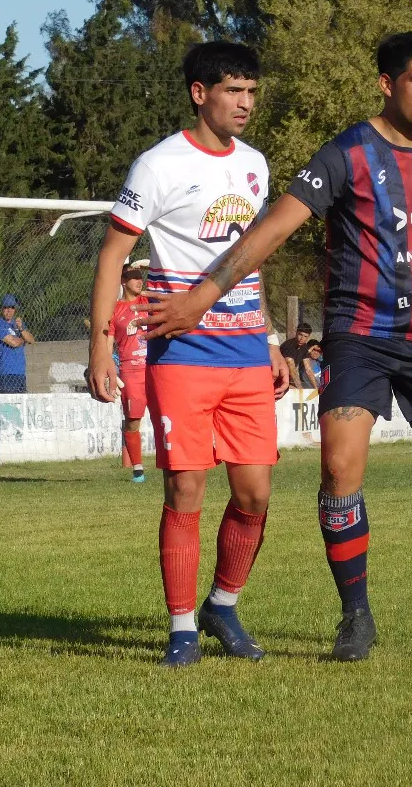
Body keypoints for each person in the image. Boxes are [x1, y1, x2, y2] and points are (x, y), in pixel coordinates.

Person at [145, 31, 412, 659]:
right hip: (360, 336)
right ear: (388, 84)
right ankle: (355, 618)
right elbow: (270, 230)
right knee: (339, 470)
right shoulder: (347, 154)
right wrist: (203, 296)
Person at [86, 41, 291, 667]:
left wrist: (271, 337)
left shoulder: (255, 164)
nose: (246, 103)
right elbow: (113, 255)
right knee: (185, 487)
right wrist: (100, 348)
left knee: (254, 494)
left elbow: (250, 260)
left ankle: (223, 606)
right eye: (234, 91)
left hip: (247, 352)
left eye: (252, 92)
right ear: (200, 94)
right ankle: (181, 629)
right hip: (182, 353)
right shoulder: (158, 166)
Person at [110, 260, 151, 482]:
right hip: (131, 371)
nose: (139, 280)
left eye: (140, 276)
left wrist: (146, 266)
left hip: (154, 367)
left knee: (167, 414)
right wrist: (109, 368)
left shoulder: (147, 301)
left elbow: (164, 285)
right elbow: (107, 343)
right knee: (133, 420)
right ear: (123, 282)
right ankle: (138, 469)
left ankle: (172, 461)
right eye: (134, 277)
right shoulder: (115, 309)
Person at [0, 294, 33, 394]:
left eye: (12, 307)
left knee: (20, 403)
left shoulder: (18, 324)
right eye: (6, 307)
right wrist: (23, 339)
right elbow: (13, 343)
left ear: (15, 309)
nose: (9, 310)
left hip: (20, 373)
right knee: (6, 403)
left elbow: (31, 340)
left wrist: (21, 328)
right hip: (4, 373)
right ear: (1, 308)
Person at [280, 322, 314, 387]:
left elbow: (308, 369)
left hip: (287, 378)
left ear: (308, 337)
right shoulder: (288, 345)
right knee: (290, 361)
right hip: (278, 375)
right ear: (296, 333)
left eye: (305, 336)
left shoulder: (304, 347)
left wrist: (316, 389)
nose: (302, 338)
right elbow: (290, 365)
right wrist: (300, 388)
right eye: (300, 334)